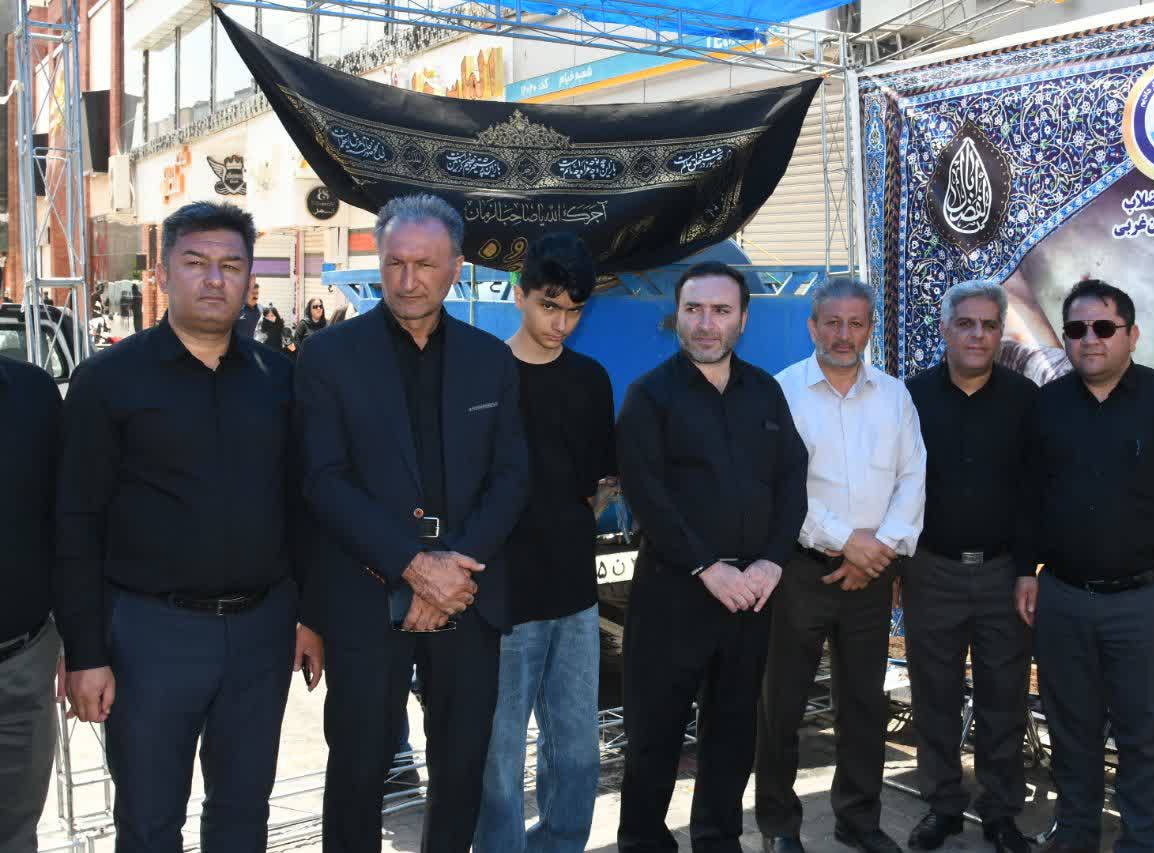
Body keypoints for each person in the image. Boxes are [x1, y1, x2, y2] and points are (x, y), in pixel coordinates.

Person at [55, 201, 323, 852]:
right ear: (162, 274)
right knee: (149, 823)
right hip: (150, 635)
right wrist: (85, 651)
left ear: (249, 280)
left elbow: (300, 506)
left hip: (262, 633)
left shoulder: (280, 379)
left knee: (243, 816)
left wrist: (310, 616)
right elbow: (76, 519)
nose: (213, 278)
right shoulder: (108, 380)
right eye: (195, 262)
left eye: (231, 265)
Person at [294, 192, 529, 853]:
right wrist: (413, 566)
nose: (407, 280)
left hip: (467, 598)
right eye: (395, 262)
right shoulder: (328, 356)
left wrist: (452, 571)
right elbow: (322, 479)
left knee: (461, 770)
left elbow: (511, 477)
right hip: (365, 598)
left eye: (424, 264)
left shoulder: (491, 359)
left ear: (455, 267)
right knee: (358, 771)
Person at [1023, 279, 1154, 853]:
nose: (1089, 339)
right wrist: (1023, 570)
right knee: (1071, 734)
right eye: (1075, 329)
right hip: (1063, 599)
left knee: (1145, 740)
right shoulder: (1046, 407)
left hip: (1148, 603)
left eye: (1103, 327)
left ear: (1132, 335)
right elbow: (1027, 497)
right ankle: (1076, 837)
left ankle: (1140, 844)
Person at [616, 260, 808, 853]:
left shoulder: (766, 392)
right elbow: (647, 494)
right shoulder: (649, 396)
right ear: (676, 315)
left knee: (731, 734)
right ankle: (644, 843)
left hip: (751, 595)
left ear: (743, 319)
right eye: (694, 309)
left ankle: (718, 840)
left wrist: (772, 561)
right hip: (674, 595)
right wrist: (706, 566)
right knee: (655, 737)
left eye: (720, 311)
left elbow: (792, 480)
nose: (705, 323)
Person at [755, 276, 926, 853]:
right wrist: (845, 540)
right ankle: (779, 825)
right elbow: (779, 485)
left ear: (870, 329)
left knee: (863, 704)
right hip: (799, 572)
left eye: (855, 324)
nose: (843, 334)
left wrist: (878, 551)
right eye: (832, 322)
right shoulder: (782, 392)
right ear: (812, 326)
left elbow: (913, 479)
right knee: (781, 706)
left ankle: (858, 819)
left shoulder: (895, 397)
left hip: (871, 577)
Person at [473, 232, 617, 853]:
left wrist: (584, 511)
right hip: (502, 596)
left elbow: (601, 481)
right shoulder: (483, 374)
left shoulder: (590, 379)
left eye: (574, 310)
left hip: (575, 593)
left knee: (578, 753)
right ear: (519, 295)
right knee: (498, 759)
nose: (561, 323)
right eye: (549, 305)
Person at [903, 281, 1037, 853]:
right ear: (945, 329)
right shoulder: (909, 397)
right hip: (930, 570)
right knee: (933, 694)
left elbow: (1036, 492)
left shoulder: (1026, 400)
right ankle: (942, 806)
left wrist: (1029, 568)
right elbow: (895, 482)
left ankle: (1001, 812)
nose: (977, 335)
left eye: (988, 325)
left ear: (1001, 333)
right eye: (965, 323)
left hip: (1005, 573)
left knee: (1003, 697)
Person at [0, 354, 61, 852]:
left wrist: (73, 638)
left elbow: (66, 519)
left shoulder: (32, 393)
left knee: (16, 835)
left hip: (21, 665)